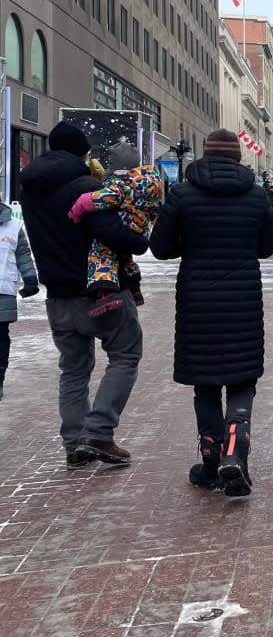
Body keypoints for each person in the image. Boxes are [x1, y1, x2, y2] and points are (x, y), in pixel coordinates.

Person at [149, 128, 273, 496]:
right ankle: (235, 454)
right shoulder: (256, 196)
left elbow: (159, 249)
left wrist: (189, 243)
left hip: (196, 302)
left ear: (205, 156)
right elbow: (268, 247)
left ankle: (210, 462)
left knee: (205, 384)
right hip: (242, 301)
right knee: (241, 380)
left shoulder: (182, 194)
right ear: (239, 158)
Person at [19, 122, 149, 468]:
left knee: (73, 371)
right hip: (100, 290)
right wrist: (140, 240)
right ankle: (99, 433)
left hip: (57, 295)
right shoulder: (87, 187)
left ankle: (75, 443)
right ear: (82, 153)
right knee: (124, 355)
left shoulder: (30, 188)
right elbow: (112, 232)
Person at [66, 141, 164, 317]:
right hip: (138, 228)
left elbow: (101, 198)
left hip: (123, 223)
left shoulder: (121, 183)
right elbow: (156, 209)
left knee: (101, 254)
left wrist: (79, 207)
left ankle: (106, 292)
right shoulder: (152, 182)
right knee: (124, 257)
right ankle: (134, 288)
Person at [0, 199, 40, 402]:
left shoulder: (13, 226)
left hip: (3, 289)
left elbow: (23, 253)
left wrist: (30, 279)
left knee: (0, 336)